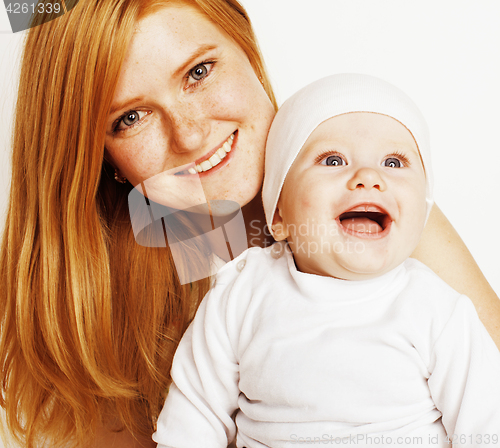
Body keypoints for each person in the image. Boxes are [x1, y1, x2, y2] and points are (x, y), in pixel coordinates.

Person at [0, 1, 498, 448]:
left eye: (199, 71)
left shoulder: (373, 208)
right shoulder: (107, 288)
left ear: (247, 45)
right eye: (130, 118)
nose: (191, 134)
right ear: (101, 156)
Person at [154, 74, 500, 447]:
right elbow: (194, 416)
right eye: (333, 160)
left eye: (395, 162)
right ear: (279, 216)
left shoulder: (437, 309)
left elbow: (484, 425)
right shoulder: (241, 293)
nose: (369, 177)